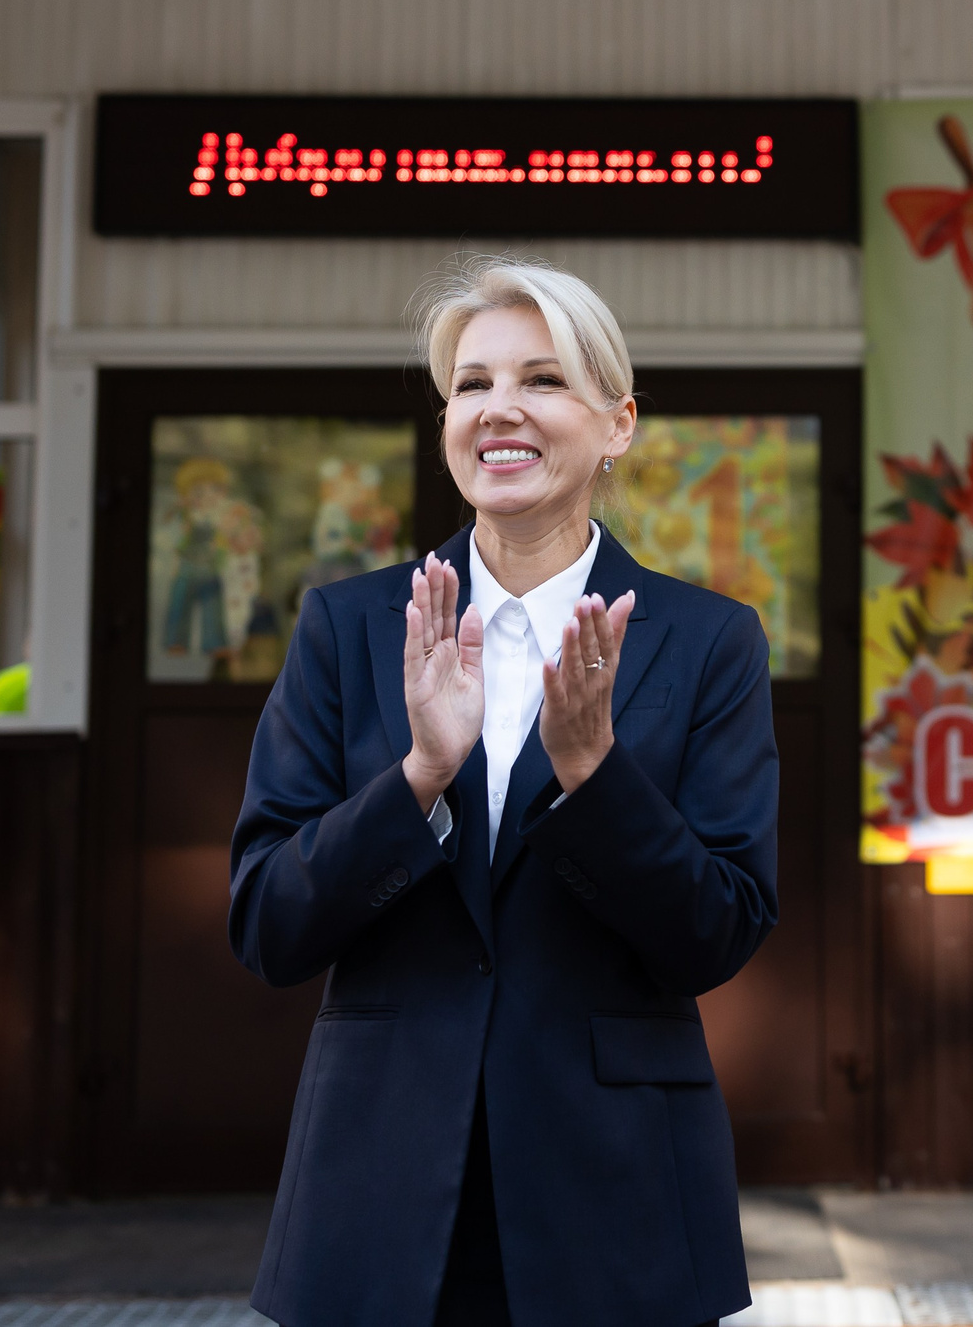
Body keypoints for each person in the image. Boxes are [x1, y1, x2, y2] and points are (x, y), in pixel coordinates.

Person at [229, 257, 779, 1327]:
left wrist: (593, 779)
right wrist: (419, 777)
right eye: (472, 384)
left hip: (615, 1194)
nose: (499, 411)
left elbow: (718, 933)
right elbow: (267, 923)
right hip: (378, 1188)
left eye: (541, 379)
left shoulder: (710, 640)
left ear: (617, 423)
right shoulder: (347, 629)